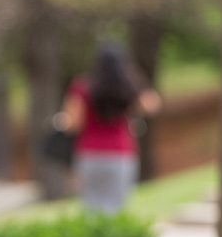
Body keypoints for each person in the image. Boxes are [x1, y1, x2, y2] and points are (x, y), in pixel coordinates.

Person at [58, 44, 161, 213]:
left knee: (91, 207)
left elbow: (73, 124)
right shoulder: (128, 86)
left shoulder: (82, 86)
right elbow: (152, 105)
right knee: (117, 207)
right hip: (121, 153)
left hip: (89, 154)